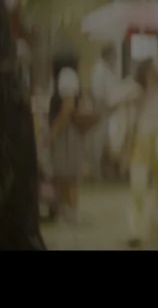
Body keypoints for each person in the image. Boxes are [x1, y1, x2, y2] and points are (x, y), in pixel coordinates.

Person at [126, 58, 158, 247]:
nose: (155, 71)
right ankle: (135, 230)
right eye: (152, 68)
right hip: (143, 138)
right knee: (138, 186)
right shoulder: (136, 90)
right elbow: (132, 118)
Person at [49, 66, 99, 224]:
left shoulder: (66, 76)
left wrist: (54, 131)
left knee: (67, 174)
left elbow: (67, 107)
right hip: (71, 131)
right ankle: (67, 211)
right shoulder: (71, 77)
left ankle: (70, 211)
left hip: (67, 132)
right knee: (65, 174)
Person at [89, 45, 120, 180]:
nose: (115, 60)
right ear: (107, 56)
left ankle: (106, 173)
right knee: (98, 144)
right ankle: (96, 173)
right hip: (101, 111)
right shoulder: (99, 70)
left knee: (108, 144)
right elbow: (98, 95)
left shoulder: (110, 71)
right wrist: (107, 108)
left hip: (110, 112)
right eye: (113, 56)